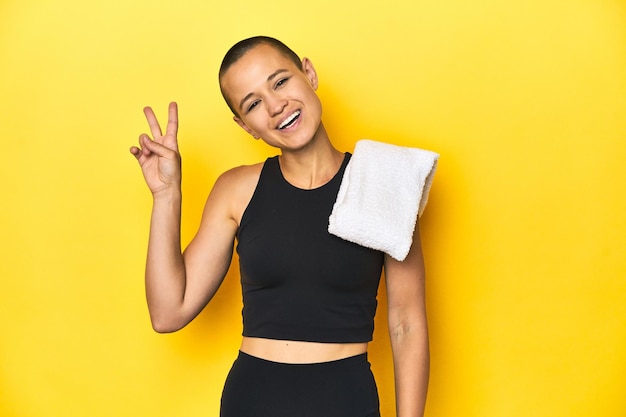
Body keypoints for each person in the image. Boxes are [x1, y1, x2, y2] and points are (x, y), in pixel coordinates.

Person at [130, 36, 429, 417]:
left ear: (309, 73)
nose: (275, 106)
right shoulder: (235, 190)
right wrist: (166, 195)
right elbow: (168, 312)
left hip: (346, 402)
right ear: (245, 126)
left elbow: (407, 325)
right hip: (252, 400)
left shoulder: (384, 180)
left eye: (281, 81)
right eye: (253, 104)